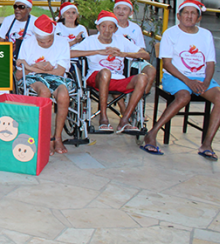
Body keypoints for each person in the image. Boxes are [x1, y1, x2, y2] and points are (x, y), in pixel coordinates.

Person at [141, 0, 220, 159]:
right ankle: (152, 134)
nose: (189, 16)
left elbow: (210, 62)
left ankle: (207, 144)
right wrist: (188, 82)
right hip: (175, 76)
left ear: (199, 17)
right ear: (179, 16)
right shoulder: (170, 33)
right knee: (184, 97)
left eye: (193, 13)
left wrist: (206, 82)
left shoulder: (205, 35)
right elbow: (167, 64)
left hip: (201, 78)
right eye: (186, 13)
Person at [71, 10, 150, 133]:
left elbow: (145, 54)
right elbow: (69, 53)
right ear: (98, 27)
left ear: (115, 29)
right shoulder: (91, 40)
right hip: (96, 77)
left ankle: (125, 120)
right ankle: (103, 118)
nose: (107, 30)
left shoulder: (121, 40)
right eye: (103, 26)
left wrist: (123, 54)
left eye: (111, 27)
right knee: (105, 72)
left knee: (143, 77)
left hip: (118, 79)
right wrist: (97, 51)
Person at [16, 15, 73, 155]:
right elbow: (20, 73)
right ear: (36, 36)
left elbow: (59, 72)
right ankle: (44, 137)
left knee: (64, 94)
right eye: (42, 41)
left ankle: (57, 137)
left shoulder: (62, 42)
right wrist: (36, 69)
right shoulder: (28, 42)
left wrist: (33, 66)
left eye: (49, 40)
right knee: (44, 91)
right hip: (32, 78)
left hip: (55, 77)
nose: (46, 43)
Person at [112, 0, 157, 93]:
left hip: (134, 61)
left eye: (125, 9)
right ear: (114, 10)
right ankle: (125, 107)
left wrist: (129, 55)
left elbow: (141, 49)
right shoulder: (109, 26)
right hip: (114, 61)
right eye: (118, 8)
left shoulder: (135, 28)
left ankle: (139, 99)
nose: (121, 11)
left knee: (151, 71)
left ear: (131, 13)